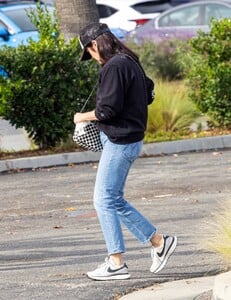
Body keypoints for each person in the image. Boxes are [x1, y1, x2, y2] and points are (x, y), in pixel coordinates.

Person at [74, 22, 177, 281]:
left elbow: (106, 111)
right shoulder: (130, 60)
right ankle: (159, 242)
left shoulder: (114, 66)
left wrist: (80, 117)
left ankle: (116, 262)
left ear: (95, 44)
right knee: (114, 200)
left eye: (89, 52)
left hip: (120, 142)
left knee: (103, 200)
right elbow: (149, 91)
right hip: (128, 139)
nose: (92, 58)